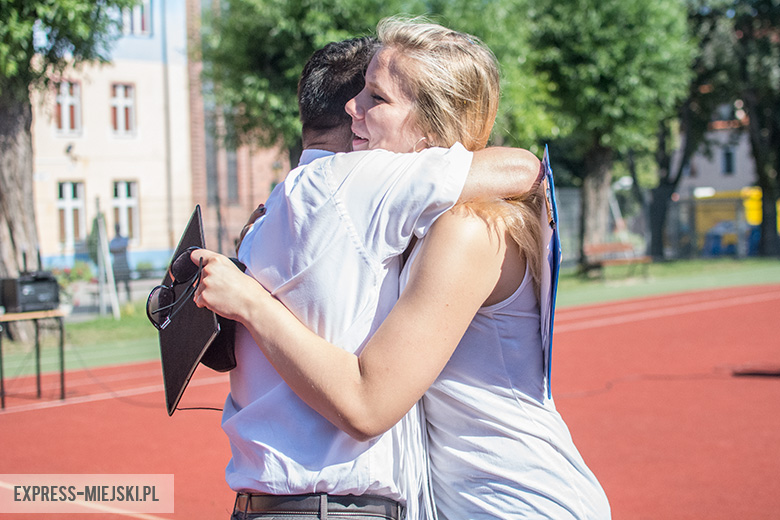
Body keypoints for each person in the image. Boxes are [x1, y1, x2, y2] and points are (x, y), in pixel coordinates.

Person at [194, 18, 610, 519]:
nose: (353, 109)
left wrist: (251, 301)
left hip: (514, 499)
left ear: (431, 133)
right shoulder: (418, 225)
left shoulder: (466, 229)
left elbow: (367, 404)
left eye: (376, 97)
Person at [109, 224, 131, 302]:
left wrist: (117, 249)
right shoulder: (113, 241)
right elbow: (111, 249)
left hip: (123, 265)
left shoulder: (123, 240)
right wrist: (119, 249)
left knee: (127, 284)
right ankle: (116, 301)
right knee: (116, 285)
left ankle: (129, 300)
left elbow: (122, 246)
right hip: (117, 266)